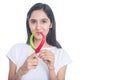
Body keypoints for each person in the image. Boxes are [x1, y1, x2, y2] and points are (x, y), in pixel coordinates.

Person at [7, 3, 71, 80]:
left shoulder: (61, 55)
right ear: (28, 24)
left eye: (43, 21)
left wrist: (51, 69)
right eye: (33, 21)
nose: (38, 27)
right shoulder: (16, 50)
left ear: (51, 24)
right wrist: (21, 70)